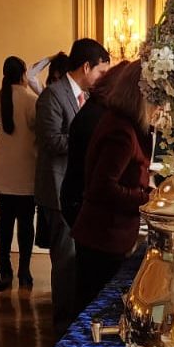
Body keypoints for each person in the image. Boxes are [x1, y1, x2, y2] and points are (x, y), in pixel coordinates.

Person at [35, 38, 111, 330]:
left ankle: (76, 314)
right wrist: (89, 140)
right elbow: (51, 141)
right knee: (64, 259)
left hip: (77, 188)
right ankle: (63, 322)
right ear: (86, 67)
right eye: (101, 72)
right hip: (56, 188)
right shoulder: (52, 95)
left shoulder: (87, 97)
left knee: (77, 257)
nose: (103, 78)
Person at [71, 62, 152, 314]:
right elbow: (103, 187)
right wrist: (147, 199)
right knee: (95, 310)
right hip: (103, 236)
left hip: (108, 235)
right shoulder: (121, 131)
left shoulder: (121, 122)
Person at [0, 57, 38, 290]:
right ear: (23, 75)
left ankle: (4, 267)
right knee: (26, 222)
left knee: (5, 220)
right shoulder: (32, 101)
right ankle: (25, 270)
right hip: (26, 171)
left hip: (1, 171)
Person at [61, 60, 131, 236]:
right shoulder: (102, 116)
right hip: (82, 202)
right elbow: (105, 178)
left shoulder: (97, 107)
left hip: (78, 197)